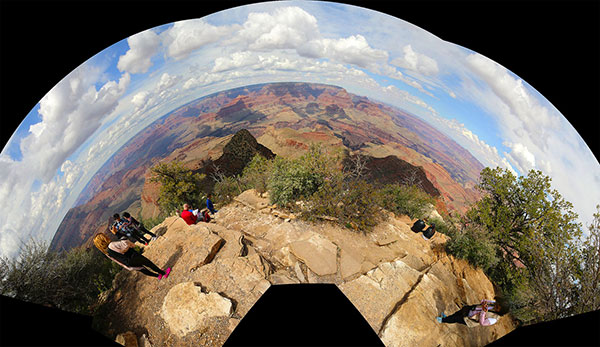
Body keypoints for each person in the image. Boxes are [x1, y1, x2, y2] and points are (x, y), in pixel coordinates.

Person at [93, 233, 171, 280]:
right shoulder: (111, 245)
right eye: (104, 236)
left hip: (128, 263)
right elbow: (125, 247)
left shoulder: (107, 253)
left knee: (142, 269)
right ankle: (163, 273)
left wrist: (127, 267)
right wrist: (124, 239)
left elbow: (118, 261)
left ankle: (157, 276)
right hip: (133, 256)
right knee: (148, 263)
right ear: (104, 239)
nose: (107, 236)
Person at [436, 299, 506, 326]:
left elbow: (482, 323)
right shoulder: (494, 304)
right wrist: (485, 302)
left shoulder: (494, 319)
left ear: (501, 311)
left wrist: (483, 312)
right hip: (470, 309)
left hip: (470, 319)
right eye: (497, 304)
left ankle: (442, 320)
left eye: (497, 307)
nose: (495, 306)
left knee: (456, 319)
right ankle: (447, 318)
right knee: (457, 314)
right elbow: (482, 301)